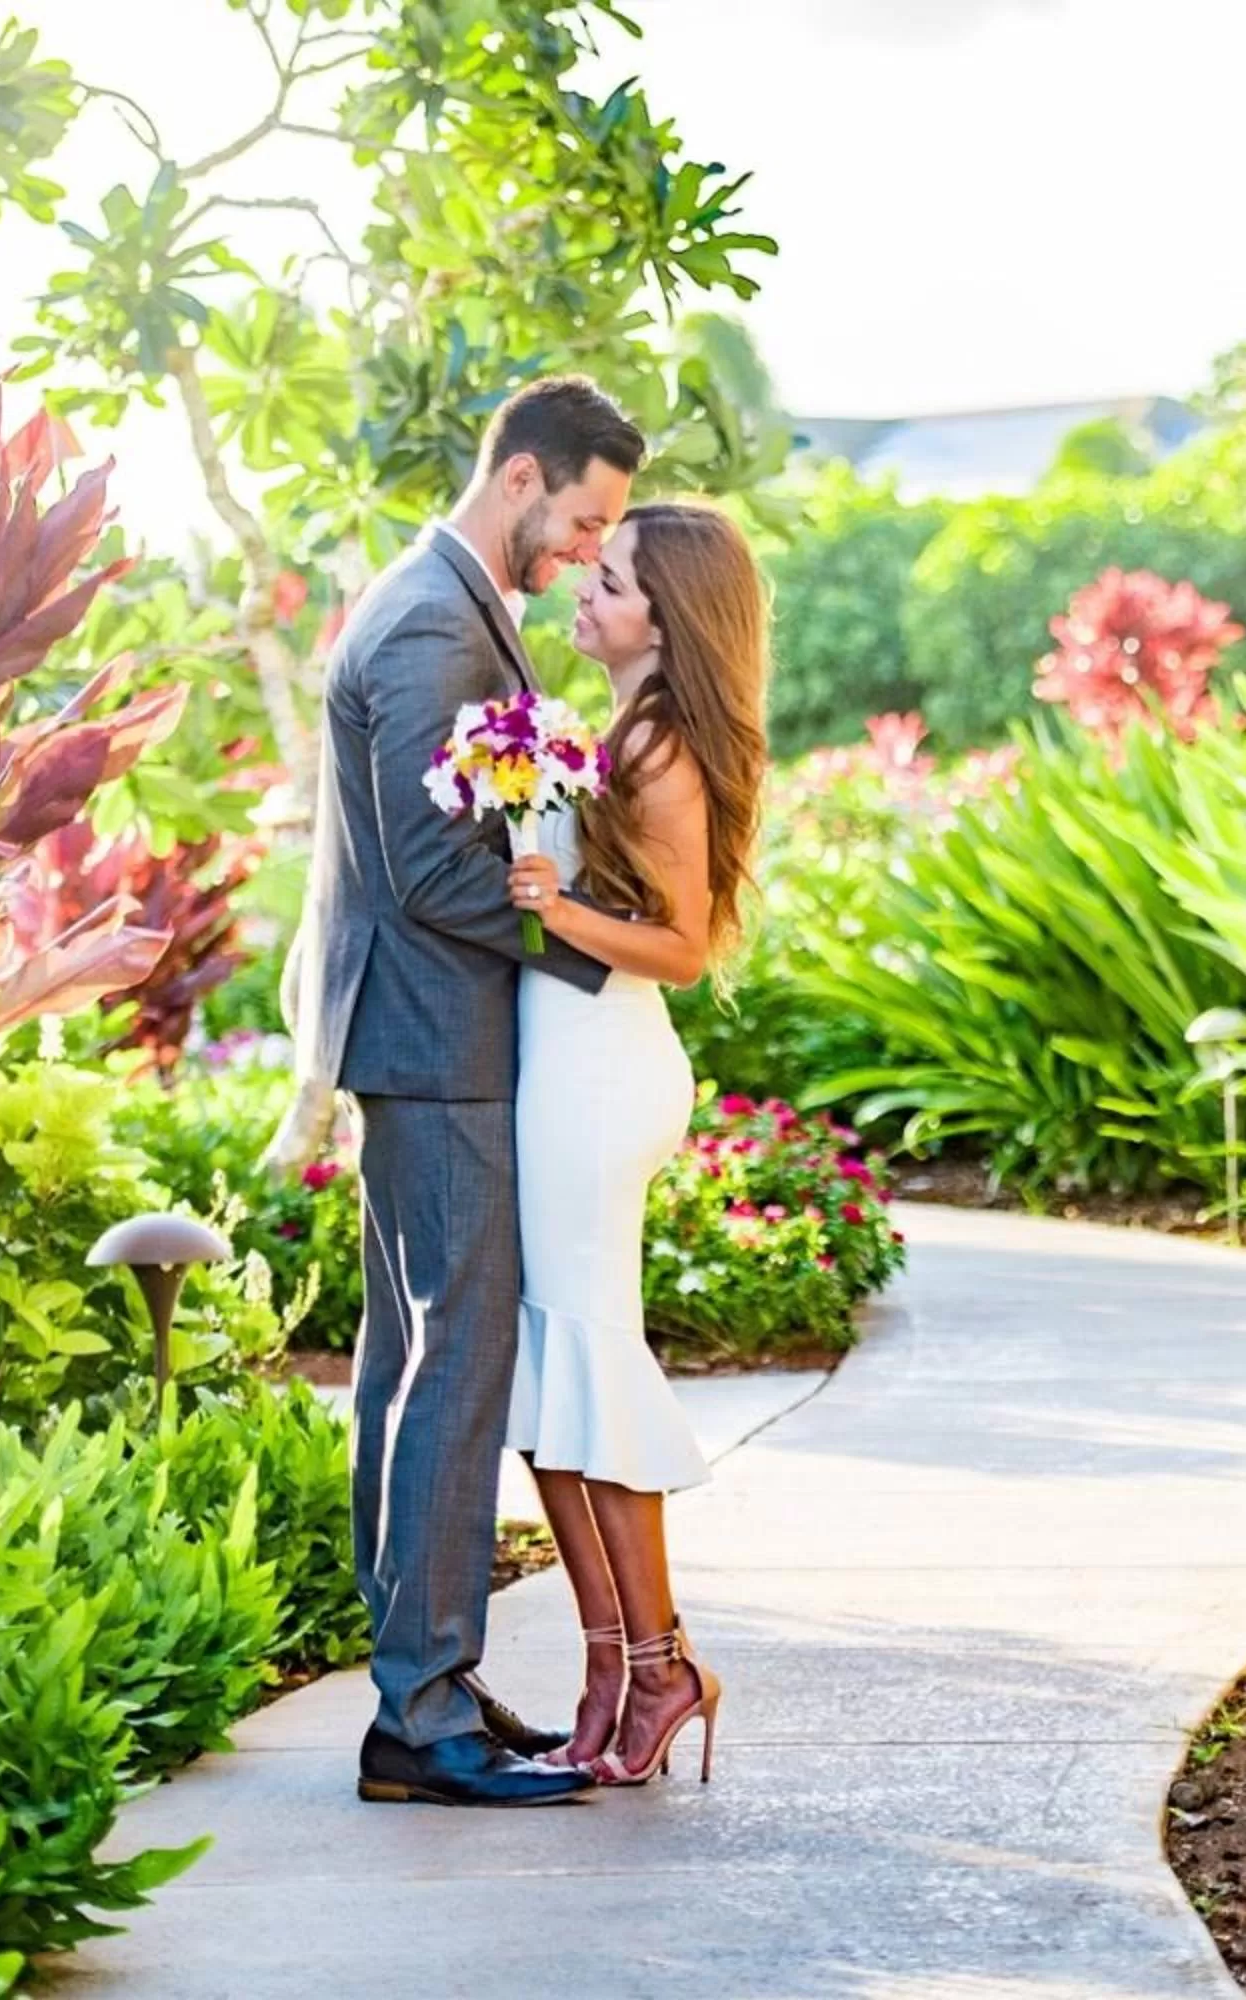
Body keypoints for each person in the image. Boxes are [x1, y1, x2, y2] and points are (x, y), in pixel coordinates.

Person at [267, 376, 642, 1807]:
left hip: (416, 1036)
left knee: (404, 1371)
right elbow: (433, 873)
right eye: (585, 519)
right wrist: (602, 949)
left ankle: (426, 1683)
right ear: (526, 476)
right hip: (430, 1040)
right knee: (454, 1365)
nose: (582, 550)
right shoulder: (432, 621)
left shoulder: (447, 600)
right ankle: (419, 1723)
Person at [501, 500, 770, 1786]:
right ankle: (614, 1662)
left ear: (668, 611)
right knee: (551, 1378)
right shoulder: (611, 727)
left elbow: (684, 943)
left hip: (602, 1075)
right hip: (561, 1065)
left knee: (587, 1365)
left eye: (605, 581)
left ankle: (658, 1662)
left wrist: (556, 904)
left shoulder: (661, 747)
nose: (581, 592)